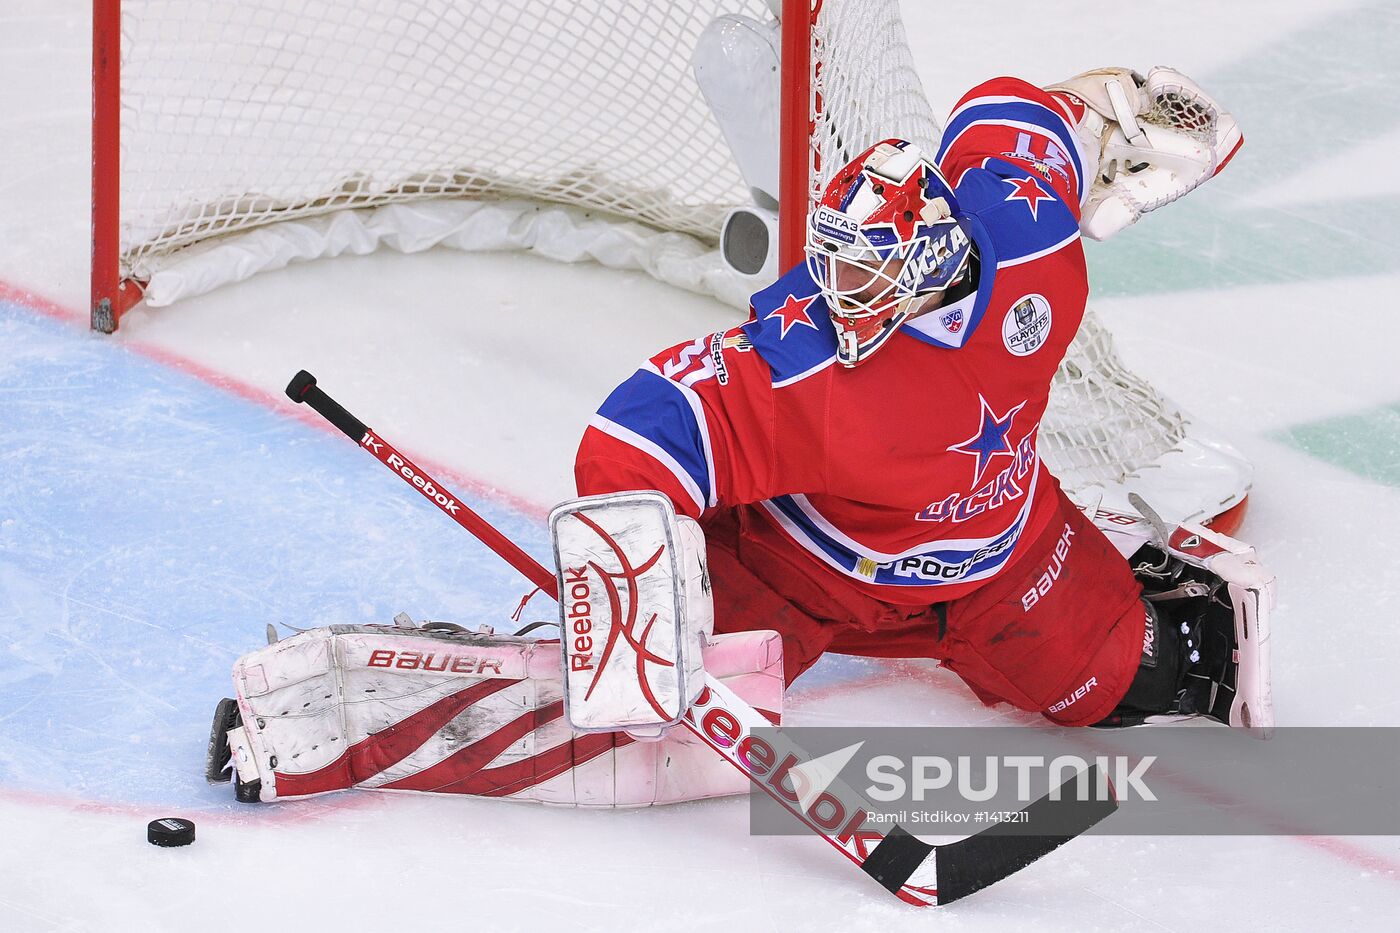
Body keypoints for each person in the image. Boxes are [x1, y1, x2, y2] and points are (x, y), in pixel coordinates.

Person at [573, 69, 1246, 728]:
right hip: (807, 572)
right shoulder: (802, 363)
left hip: (1000, 553)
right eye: (835, 260)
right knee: (645, 705)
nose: (838, 289)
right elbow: (637, 433)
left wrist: (1126, 115)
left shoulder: (1031, 237)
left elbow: (1042, 109)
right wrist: (635, 601)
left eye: (865, 269)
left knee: (1141, 676)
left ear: (933, 257)